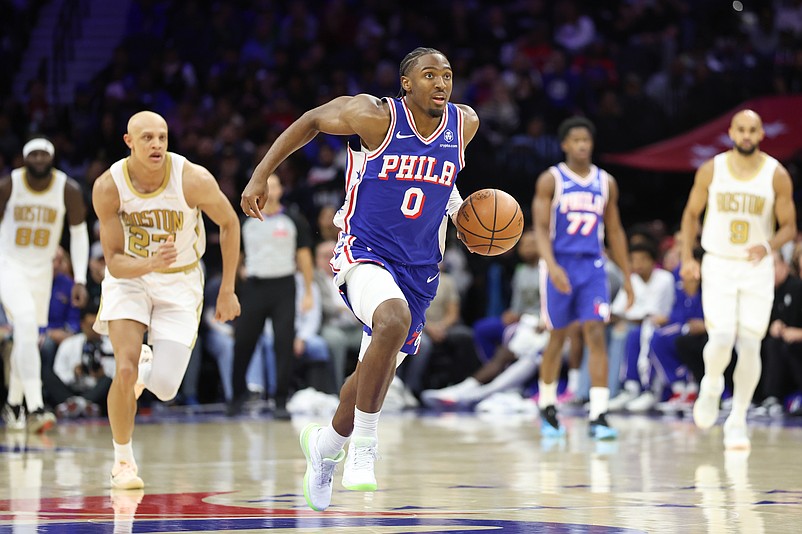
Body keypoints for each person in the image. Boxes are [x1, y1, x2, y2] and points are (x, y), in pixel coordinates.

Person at [240, 47, 479, 511]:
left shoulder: (463, 124)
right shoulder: (374, 116)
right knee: (391, 320)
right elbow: (310, 121)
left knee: (376, 369)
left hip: (419, 268)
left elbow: (443, 181)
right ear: (407, 84)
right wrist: (261, 175)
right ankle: (364, 449)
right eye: (429, 75)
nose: (441, 83)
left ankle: (326, 448)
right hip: (364, 252)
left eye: (447, 75)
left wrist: (460, 212)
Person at [92, 111, 241, 489]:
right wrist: (149, 262)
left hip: (180, 283)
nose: (156, 144)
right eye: (147, 138)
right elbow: (114, 262)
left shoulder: (192, 178)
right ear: (129, 142)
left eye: (162, 136)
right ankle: (123, 462)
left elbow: (229, 223)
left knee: (165, 388)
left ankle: (146, 369)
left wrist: (226, 289)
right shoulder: (109, 187)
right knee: (123, 370)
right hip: (131, 280)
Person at [680, 109, 796, 450]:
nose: (747, 135)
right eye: (741, 129)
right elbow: (690, 214)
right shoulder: (711, 169)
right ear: (732, 132)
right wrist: (688, 258)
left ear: (761, 134)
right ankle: (712, 384)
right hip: (718, 262)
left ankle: (738, 419)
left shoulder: (776, 174)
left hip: (756, 265)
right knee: (720, 339)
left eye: (753, 130)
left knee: (749, 344)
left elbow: (789, 225)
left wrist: (770, 244)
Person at [532, 116, 634, 440]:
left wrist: (628, 278)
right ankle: (547, 406)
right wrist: (551, 265)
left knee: (595, 333)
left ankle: (599, 413)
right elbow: (539, 229)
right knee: (557, 335)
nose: (582, 145)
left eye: (586, 140)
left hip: (592, 266)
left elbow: (615, 231)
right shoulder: (552, 180)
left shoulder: (606, 182)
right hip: (559, 262)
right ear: (565, 145)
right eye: (575, 140)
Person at [0, 137, 90, 433]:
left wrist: (79, 278)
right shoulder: (9, 185)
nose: (38, 158)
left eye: (44, 154)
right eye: (33, 154)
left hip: (42, 272)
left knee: (27, 336)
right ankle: (36, 407)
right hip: (9, 264)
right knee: (25, 322)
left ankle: (13, 404)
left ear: (52, 158)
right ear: (24, 159)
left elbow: (78, 235)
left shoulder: (68, 189)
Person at [228, 173, 315, 419]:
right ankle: (236, 397)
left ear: (280, 191)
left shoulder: (292, 219)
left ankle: (280, 401)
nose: (269, 189)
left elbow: (304, 256)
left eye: (274, 185)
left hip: (284, 287)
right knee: (243, 342)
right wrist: (235, 279)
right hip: (254, 288)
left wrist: (308, 291)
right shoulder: (246, 220)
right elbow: (235, 252)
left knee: (284, 345)